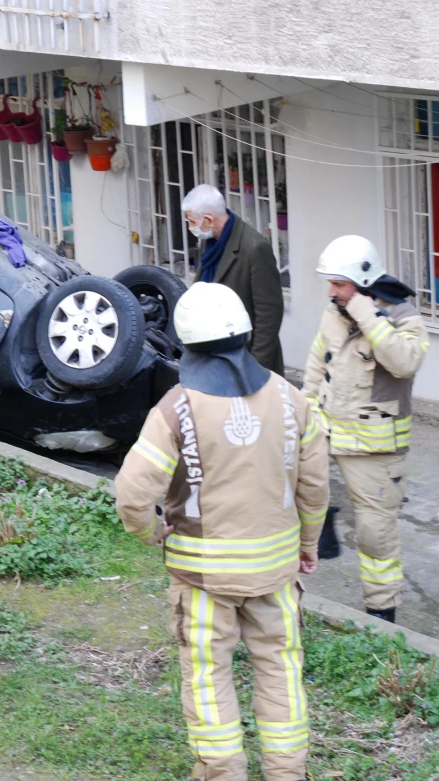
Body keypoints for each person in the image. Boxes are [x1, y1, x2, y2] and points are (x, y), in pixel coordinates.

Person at [115, 281, 329, 781]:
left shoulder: (176, 408)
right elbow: (315, 487)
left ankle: (223, 771)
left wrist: (150, 532)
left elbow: (131, 493)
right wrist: (307, 544)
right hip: (276, 575)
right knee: (280, 669)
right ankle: (287, 771)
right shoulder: (292, 400)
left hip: (202, 578)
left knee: (209, 676)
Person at [302, 235, 428, 624]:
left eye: (339, 284)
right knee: (295, 505)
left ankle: (381, 616)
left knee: (375, 536)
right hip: (325, 435)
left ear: (362, 282)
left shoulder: (404, 318)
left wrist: (367, 316)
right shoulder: (332, 312)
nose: (331, 291)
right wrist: (304, 417)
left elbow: (404, 363)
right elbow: (315, 364)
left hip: (375, 451)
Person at [183, 184, 285, 375]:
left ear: (208, 219)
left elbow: (269, 314)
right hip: (215, 357)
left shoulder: (254, 248)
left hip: (245, 359)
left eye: (191, 222)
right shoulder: (211, 241)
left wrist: (255, 368)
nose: (191, 227)